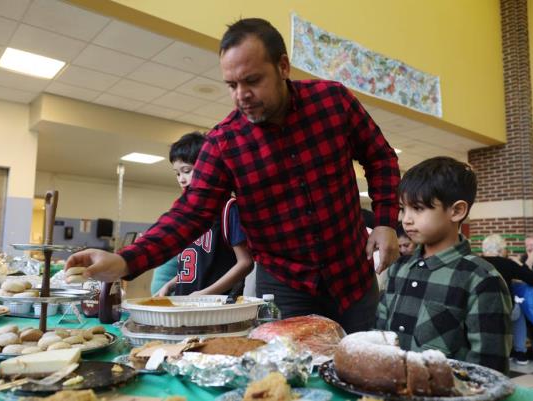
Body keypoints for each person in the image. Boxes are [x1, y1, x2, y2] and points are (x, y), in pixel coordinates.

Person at [66, 18, 400, 332]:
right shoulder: (224, 143)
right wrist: (126, 261)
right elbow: (191, 213)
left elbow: (380, 156)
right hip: (285, 285)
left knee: (361, 374)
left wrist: (385, 221)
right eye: (231, 85)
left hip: (352, 278)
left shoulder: (332, 102)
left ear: (283, 66)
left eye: (252, 80)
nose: (241, 95)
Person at [376, 156, 512, 374]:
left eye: (418, 208)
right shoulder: (397, 269)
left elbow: (490, 370)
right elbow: (379, 338)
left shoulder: (482, 279)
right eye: (403, 208)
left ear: (456, 211)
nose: (406, 219)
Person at [157, 132, 253, 296]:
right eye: (177, 173)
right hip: (185, 303)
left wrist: (205, 294)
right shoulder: (185, 213)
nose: (181, 179)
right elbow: (195, 268)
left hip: (215, 308)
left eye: (187, 171)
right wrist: (170, 284)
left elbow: (246, 263)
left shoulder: (229, 208)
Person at [481, 234, 533, 365]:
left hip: (480, 309)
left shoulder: (475, 262)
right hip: (504, 310)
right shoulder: (507, 263)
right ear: (501, 250)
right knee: (518, 310)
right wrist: (528, 261)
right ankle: (520, 352)